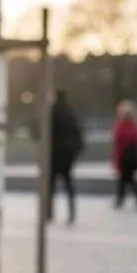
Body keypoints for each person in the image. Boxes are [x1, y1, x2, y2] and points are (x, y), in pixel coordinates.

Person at [48, 90, 84, 225]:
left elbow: (44, 131)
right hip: (68, 154)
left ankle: (49, 213)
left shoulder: (52, 112)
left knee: (50, 185)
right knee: (68, 183)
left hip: (54, 153)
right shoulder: (71, 113)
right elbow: (78, 133)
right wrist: (77, 150)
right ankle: (72, 213)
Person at [112, 100, 137, 210]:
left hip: (123, 157)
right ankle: (124, 199)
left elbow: (116, 143)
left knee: (125, 178)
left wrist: (115, 158)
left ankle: (122, 200)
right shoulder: (135, 126)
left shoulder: (119, 126)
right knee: (127, 178)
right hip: (132, 157)